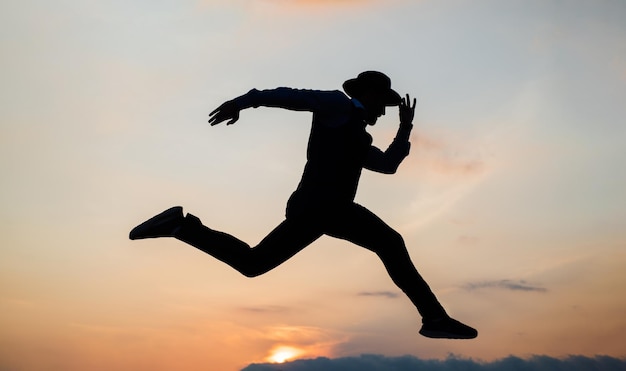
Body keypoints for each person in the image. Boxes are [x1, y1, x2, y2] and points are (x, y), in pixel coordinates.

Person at [129, 71, 477, 339]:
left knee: (254, 264)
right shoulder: (337, 105)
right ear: (366, 94)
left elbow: (387, 165)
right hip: (323, 207)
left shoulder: (357, 133)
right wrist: (243, 102)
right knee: (390, 242)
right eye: (382, 104)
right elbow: (285, 96)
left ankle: (179, 226)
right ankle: (433, 318)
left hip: (322, 210)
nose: (383, 111)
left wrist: (405, 130)